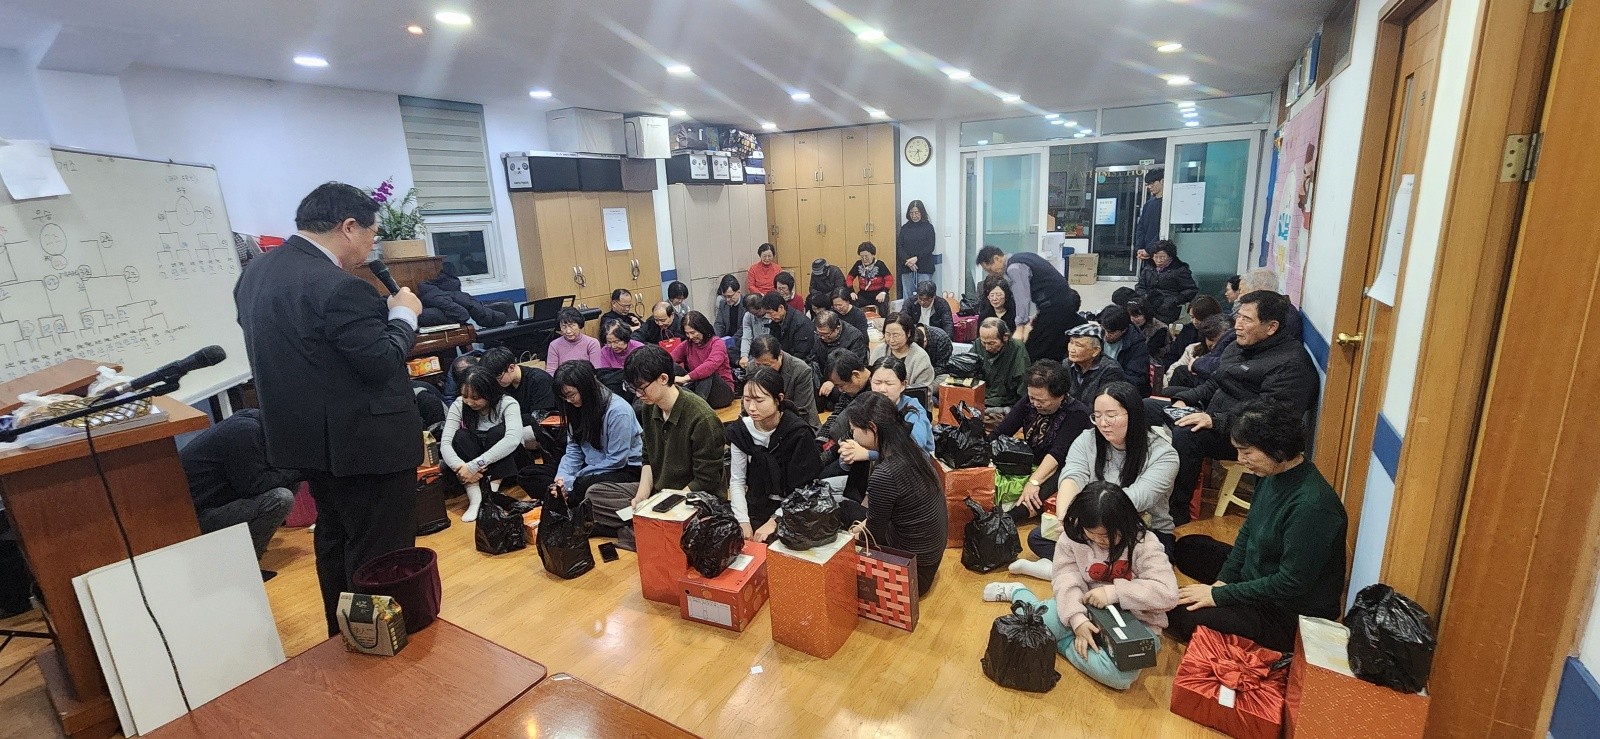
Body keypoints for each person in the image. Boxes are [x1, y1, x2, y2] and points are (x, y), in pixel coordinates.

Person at [234, 182, 424, 635]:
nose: (372, 246)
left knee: (336, 541)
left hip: (309, 446)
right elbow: (380, 361)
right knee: (378, 552)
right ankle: (376, 644)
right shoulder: (340, 288)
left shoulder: (255, 275)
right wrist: (404, 314)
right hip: (366, 448)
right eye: (372, 235)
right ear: (349, 226)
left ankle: (345, 636)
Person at [1167, 401, 1347, 653]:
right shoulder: (1271, 473)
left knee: (1177, 614)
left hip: (1288, 613)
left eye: (1246, 452)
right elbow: (1248, 531)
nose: (1240, 460)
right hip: (1260, 577)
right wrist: (1223, 582)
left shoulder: (1312, 507)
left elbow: (1290, 583)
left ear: (1277, 448)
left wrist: (1220, 596)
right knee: (1188, 547)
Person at [986, 481, 1178, 691]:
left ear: (1125, 523)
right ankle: (1018, 592)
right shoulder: (1074, 537)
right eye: (1091, 533)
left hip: (1137, 622)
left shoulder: (1145, 543)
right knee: (1030, 627)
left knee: (1121, 678)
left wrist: (1114, 592)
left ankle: (1059, 642)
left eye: (1106, 535)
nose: (1099, 540)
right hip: (1082, 607)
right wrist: (1077, 621)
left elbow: (1167, 593)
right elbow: (1065, 578)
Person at [1158, 290, 1318, 526]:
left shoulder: (1292, 365)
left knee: (1186, 435)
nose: (1237, 325)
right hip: (1213, 414)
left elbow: (1270, 417)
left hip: (1246, 436)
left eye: (1247, 319)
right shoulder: (1239, 344)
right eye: (1238, 317)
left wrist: (1215, 421)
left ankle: (1175, 513)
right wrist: (1184, 400)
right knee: (1145, 406)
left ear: (1271, 327)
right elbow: (1216, 382)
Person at [1015, 381, 1178, 569]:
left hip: (1141, 529)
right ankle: (1100, 571)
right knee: (1038, 537)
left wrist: (1083, 522)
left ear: (1134, 415)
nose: (1102, 423)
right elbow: (1072, 477)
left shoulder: (1163, 454)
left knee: (1154, 557)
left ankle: (1072, 569)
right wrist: (1065, 519)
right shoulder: (1087, 439)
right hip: (1091, 527)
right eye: (1097, 416)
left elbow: (1136, 499)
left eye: (1111, 416)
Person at [845, 392, 947, 596]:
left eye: (853, 429)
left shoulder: (885, 474)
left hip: (912, 575)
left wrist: (850, 538)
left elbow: (874, 535)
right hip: (929, 560)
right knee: (851, 512)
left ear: (872, 428)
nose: (852, 435)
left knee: (844, 514)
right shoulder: (910, 447)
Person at [180, 409, 302, 566]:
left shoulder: (253, 423)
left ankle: (240, 551)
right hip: (197, 517)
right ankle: (247, 563)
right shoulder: (245, 432)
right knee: (280, 499)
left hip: (215, 501)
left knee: (289, 481)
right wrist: (301, 470)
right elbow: (253, 485)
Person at [624, 346, 728, 512]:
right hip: (659, 492)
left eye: (641, 388)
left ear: (663, 378)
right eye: (633, 389)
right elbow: (647, 458)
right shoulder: (649, 407)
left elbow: (706, 480)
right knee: (597, 493)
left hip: (694, 498)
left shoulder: (702, 418)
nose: (638, 394)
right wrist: (641, 497)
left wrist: (664, 505)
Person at [728, 366, 823, 542]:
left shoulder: (798, 433)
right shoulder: (741, 431)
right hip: (757, 502)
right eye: (747, 399)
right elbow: (737, 481)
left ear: (778, 399)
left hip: (794, 506)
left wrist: (775, 520)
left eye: (759, 400)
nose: (751, 407)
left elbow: (805, 489)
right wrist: (742, 521)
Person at [987, 360, 1092, 519]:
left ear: (1060, 395)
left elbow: (1057, 455)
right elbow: (1001, 432)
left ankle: (1010, 517)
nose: (1035, 404)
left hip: (1060, 467)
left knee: (1053, 482)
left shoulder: (1077, 414)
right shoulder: (1029, 402)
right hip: (1032, 459)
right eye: (1032, 398)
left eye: (1042, 401)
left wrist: (1034, 482)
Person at [551, 360, 644, 510]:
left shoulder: (618, 411)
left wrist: (576, 478)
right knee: (534, 476)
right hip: (592, 467)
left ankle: (572, 505)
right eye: (564, 397)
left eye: (571, 395)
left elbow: (617, 460)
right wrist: (563, 478)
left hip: (624, 469)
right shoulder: (574, 407)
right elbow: (574, 449)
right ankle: (569, 500)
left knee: (583, 486)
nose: (568, 400)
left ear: (585, 388)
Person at [441, 367, 524, 522]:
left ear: (489, 393)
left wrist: (474, 465)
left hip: (506, 465)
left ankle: (489, 495)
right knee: (460, 436)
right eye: (465, 396)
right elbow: (445, 443)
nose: (469, 402)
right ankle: (475, 498)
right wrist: (460, 467)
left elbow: (512, 440)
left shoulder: (507, 403)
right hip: (474, 469)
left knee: (497, 433)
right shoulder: (459, 404)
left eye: (476, 397)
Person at [976, 245, 1083, 362]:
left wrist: (1020, 328)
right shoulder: (1024, 257)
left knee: (1033, 350)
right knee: (1054, 346)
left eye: (989, 269)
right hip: (1060, 304)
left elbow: (1022, 296)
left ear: (996, 258)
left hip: (1056, 308)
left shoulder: (1014, 267)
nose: (991, 274)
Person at [482, 346, 557, 441]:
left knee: (497, 433)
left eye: (498, 378)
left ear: (511, 367)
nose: (496, 383)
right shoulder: (503, 383)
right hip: (512, 421)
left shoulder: (539, 380)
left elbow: (540, 415)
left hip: (542, 425)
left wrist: (508, 418)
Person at [969, 317, 1032, 425]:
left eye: (992, 343)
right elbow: (968, 370)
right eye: (984, 342)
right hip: (981, 398)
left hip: (1006, 401)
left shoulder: (1017, 348)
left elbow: (1023, 381)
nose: (987, 347)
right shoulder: (978, 344)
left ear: (1005, 337)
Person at [748, 335, 820, 428]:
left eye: (767, 365)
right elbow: (747, 402)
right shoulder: (751, 367)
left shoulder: (801, 370)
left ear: (780, 356)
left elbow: (802, 411)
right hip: (762, 423)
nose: (762, 369)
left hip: (798, 424)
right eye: (758, 365)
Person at [867, 356, 934, 453]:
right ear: (870, 381)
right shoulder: (867, 403)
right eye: (877, 383)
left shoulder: (913, 409)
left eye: (889, 384)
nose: (882, 389)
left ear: (903, 385)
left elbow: (915, 446)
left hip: (913, 459)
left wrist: (869, 454)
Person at [669, 310, 735, 408]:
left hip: (721, 392)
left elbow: (710, 365)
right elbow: (669, 358)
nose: (690, 337)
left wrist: (685, 378)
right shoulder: (687, 344)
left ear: (702, 329)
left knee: (706, 373)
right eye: (687, 333)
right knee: (669, 365)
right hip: (698, 386)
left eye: (693, 332)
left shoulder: (717, 343)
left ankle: (697, 407)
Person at [1134, 241, 1199, 323]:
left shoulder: (1179, 270)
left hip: (1168, 308)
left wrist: (1175, 300)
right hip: (1149, 305)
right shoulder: (1148, 268)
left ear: (1170, 256)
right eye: (1155, 257)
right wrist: (1145, 296)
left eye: (1162, 257)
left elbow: (1191, 290)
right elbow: (1140, 286)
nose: (1158, 260)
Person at [1063, 323, 1126, 407]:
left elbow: (1107, 404)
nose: (1072, 349)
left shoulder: (1110, 370)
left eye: (1078, 345)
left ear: (1096, 351)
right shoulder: (1066, 364)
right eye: (1071, 343)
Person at [869, 312, 935, 390]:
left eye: (896, 335)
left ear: (908, 333)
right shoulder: (879, 351)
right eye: (888, 334)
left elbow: (923, 389)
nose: (891, 340)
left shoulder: (920, 357)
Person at [1164, 314, 1228, 390]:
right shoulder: (1193, 349)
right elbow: (1174, 369)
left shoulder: (1230, 355)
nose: (1214, 345)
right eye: (1211, 340)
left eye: (1220, 341)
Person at [1099, 305, 1151, 396]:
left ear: (1124, 330)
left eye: (1111, 332)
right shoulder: (1098, 335)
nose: (1106, 335)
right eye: (1104, 329)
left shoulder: (1137, 345)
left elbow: (1134, 379)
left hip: (1121, 390)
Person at [1163, 295, 1225, 365]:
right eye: (1192, 317)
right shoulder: (1187, 330)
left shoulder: (1221, 333)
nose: (1195, 321)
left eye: (1199, 317)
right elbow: (1172, 355)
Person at [813, 309, 868, 383]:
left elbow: (855, 366)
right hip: (822, 376)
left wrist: (833, 381)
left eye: (826, 334)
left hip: (844, 379)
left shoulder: (855, 337)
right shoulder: (818, 335)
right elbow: (813, 356)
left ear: (837, 329)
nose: (822, 337)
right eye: (819, 334)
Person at [897, 199, 937, 300]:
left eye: (917, 212)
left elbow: (930, 246)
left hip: (924, 266)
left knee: (925, 295)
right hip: (907, 266)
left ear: (922, 212)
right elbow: (900, 247)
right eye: (911, 213)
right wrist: (908, 261)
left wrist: (916, 258)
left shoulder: (928, 227)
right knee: (908, 296)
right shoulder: (905, 228)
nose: (914, 215)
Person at [761, 290, 816, 362]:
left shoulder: (801, 324)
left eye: (770, 313)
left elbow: (801, 354)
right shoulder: (776, 322)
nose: (769, 317)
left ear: (781, 308)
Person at [847, 242, 894, 309]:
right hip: (863, 294)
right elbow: (849, 278)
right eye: (862, 256)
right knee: (854, 303)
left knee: (882, 304)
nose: (864, 259)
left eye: (866, 256)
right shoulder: (858, 264)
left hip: (878, 293)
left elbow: (889, 279)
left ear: (872, 254)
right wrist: (851, 291)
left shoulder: (880, 264)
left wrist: (884, 292)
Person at [1126, 300, 1169, 366]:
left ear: (1146, 314)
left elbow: (1149, 350)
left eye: (1136, 316)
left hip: (1153, 360)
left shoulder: (1160, 329)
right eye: (1130, 316)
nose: (1132, 319)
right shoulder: (1129, 325)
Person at [1133, 168, 1164, 262]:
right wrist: (1139, 248)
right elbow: (1141, 227)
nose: (1150, 187)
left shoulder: (1167, 204)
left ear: (1162, 181)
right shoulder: (1148, 204)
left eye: (1152, 183)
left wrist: (1149, 250)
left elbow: (1162, 231)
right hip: (1146, 252)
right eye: (1148, 184)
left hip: (1161, 252)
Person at [737, 293, 769, 366]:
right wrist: (744, 356)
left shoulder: (772, 314)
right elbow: (746, 337)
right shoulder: (748, 316)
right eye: (753, 313)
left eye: (757, 313)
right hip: (755, 351)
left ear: (762, 306)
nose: (755, 316)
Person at [713, 274, 744, 344]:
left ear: (738, 292)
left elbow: (743, 328)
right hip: (725, 339)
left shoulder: (745, 304)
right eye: (725, 296)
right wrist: (716, 339)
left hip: (740, 340)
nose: (727, 299)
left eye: (730, 296)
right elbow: (719, 324)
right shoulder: (722, 303)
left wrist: (731, 341)